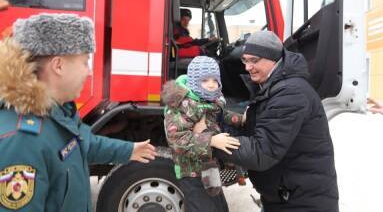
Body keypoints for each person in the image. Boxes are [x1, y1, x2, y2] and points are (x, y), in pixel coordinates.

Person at [0, 13, 157, 211]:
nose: (88, 71)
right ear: (58, 66)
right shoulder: (22, 140)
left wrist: (129, 151)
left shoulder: (57, 113)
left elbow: (83, 144)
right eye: (84, 61)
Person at [214, 30, 339, 212]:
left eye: (254, 60)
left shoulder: (290, 93)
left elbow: (262, 151)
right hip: (285, 196)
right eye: (245, 60)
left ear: (273, 58)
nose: (247, 67)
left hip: (302, 203)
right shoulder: (272, 86)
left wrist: (209, 142)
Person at [161, 56, 244, 212]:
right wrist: (211, 140)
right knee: (201, 207)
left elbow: (221, 115)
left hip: (209, 166)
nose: (211, 85)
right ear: (194, 81)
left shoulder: (209, 100)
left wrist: (240, 119)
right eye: (205, 80)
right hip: (191, 172)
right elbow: (178, 141)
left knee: (218, 207)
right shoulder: (182, 105)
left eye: (215, 80)